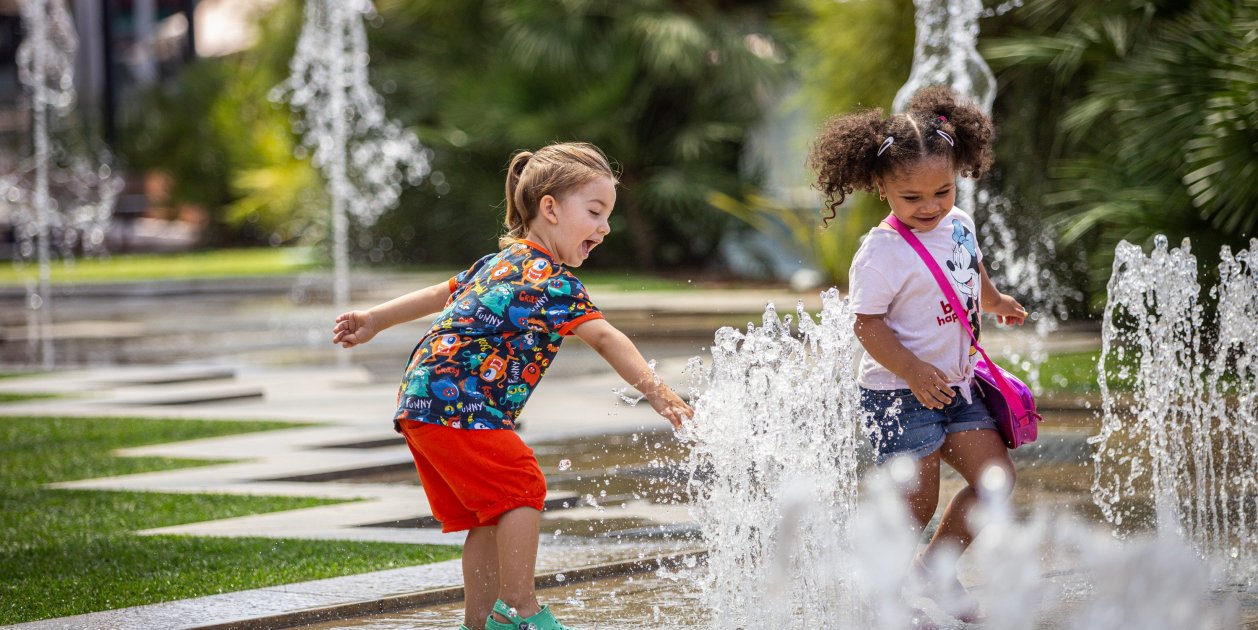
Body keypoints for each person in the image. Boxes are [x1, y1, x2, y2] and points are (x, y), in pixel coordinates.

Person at [332, 142, 693, 630]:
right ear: (549, 207)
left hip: (422, 400)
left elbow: (443, 293)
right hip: (459, 401)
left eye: (607, 215)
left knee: (489, 514)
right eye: (594, 212)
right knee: (523, 486)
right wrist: (658, 391)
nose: (605, 227)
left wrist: (376, 318)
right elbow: (605, 337)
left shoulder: (498, 262)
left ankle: (478, 624)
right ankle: (519, 610)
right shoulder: (553, 280)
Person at [809, 86, 1027, 625]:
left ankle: (932, 567)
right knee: (916, 504)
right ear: (881, 187)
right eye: (912, 197)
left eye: (943, 191)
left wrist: (993, 300)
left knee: (995, 480)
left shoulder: (959, 224)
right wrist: (911, 368)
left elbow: (968, 267)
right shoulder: (880, 253)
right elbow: (867, 322)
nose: (930, 206)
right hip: (898, 393)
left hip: (957, 383)